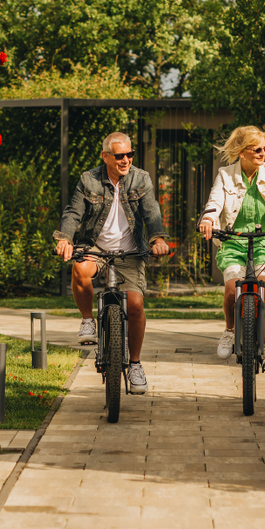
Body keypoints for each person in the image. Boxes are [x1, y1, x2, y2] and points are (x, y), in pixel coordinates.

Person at [54, 132, 170, 394]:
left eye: (129, 154)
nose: (126, 160)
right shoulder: (89, 179)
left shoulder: (141, 178)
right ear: (105, 156)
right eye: (119, 156)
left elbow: (151, 211)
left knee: (137, 305)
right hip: (95, 247)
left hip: (129, 251)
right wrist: (65, 239)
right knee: (80, 268)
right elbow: (73, 213)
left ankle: (136, 364)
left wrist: (157, 239)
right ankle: (87, 321)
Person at [198, 125, 265, 372]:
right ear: (242, 152)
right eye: (257, 149)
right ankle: (230, 331)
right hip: (234, 240)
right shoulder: (226, 175)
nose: (263, 152)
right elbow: (215, 201)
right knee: (232, 290)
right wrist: (208, 220)